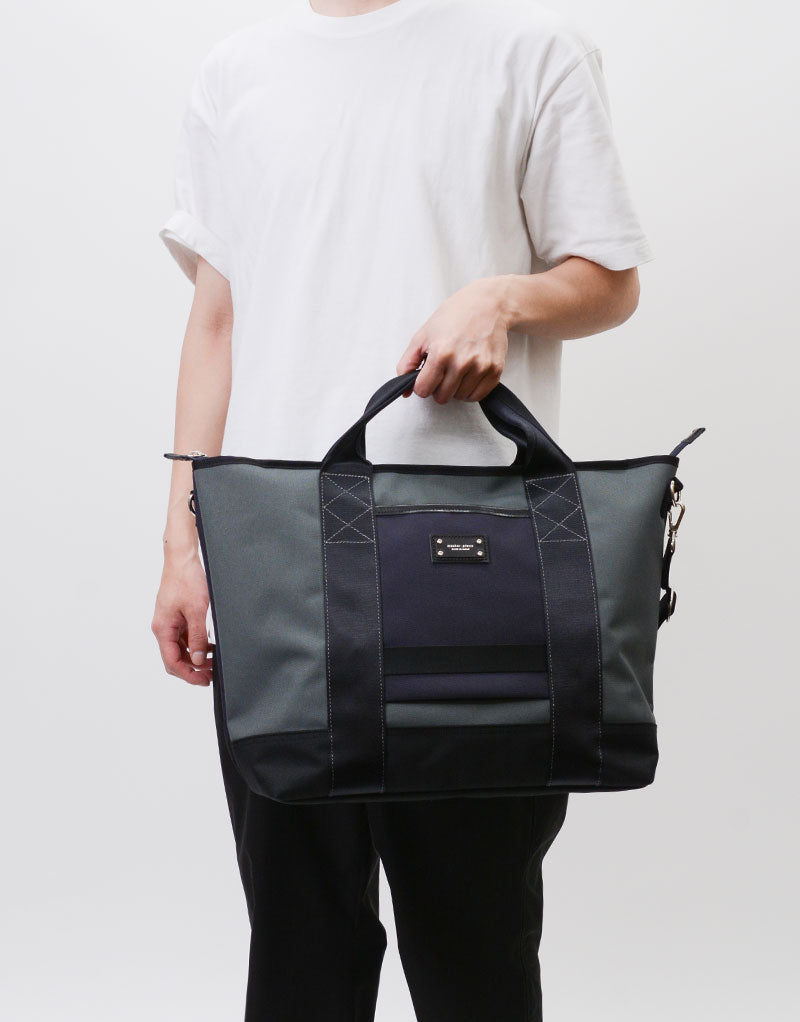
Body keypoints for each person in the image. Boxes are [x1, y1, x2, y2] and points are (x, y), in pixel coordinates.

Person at [152, 1, 653, 1019]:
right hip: (276, 565)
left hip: (471, 567)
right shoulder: (237, 71)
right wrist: (181, 541)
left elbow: (608, 280)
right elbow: (215, 320)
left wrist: (500, 299)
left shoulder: (528, 51)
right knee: (297, 948)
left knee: (474, 951)